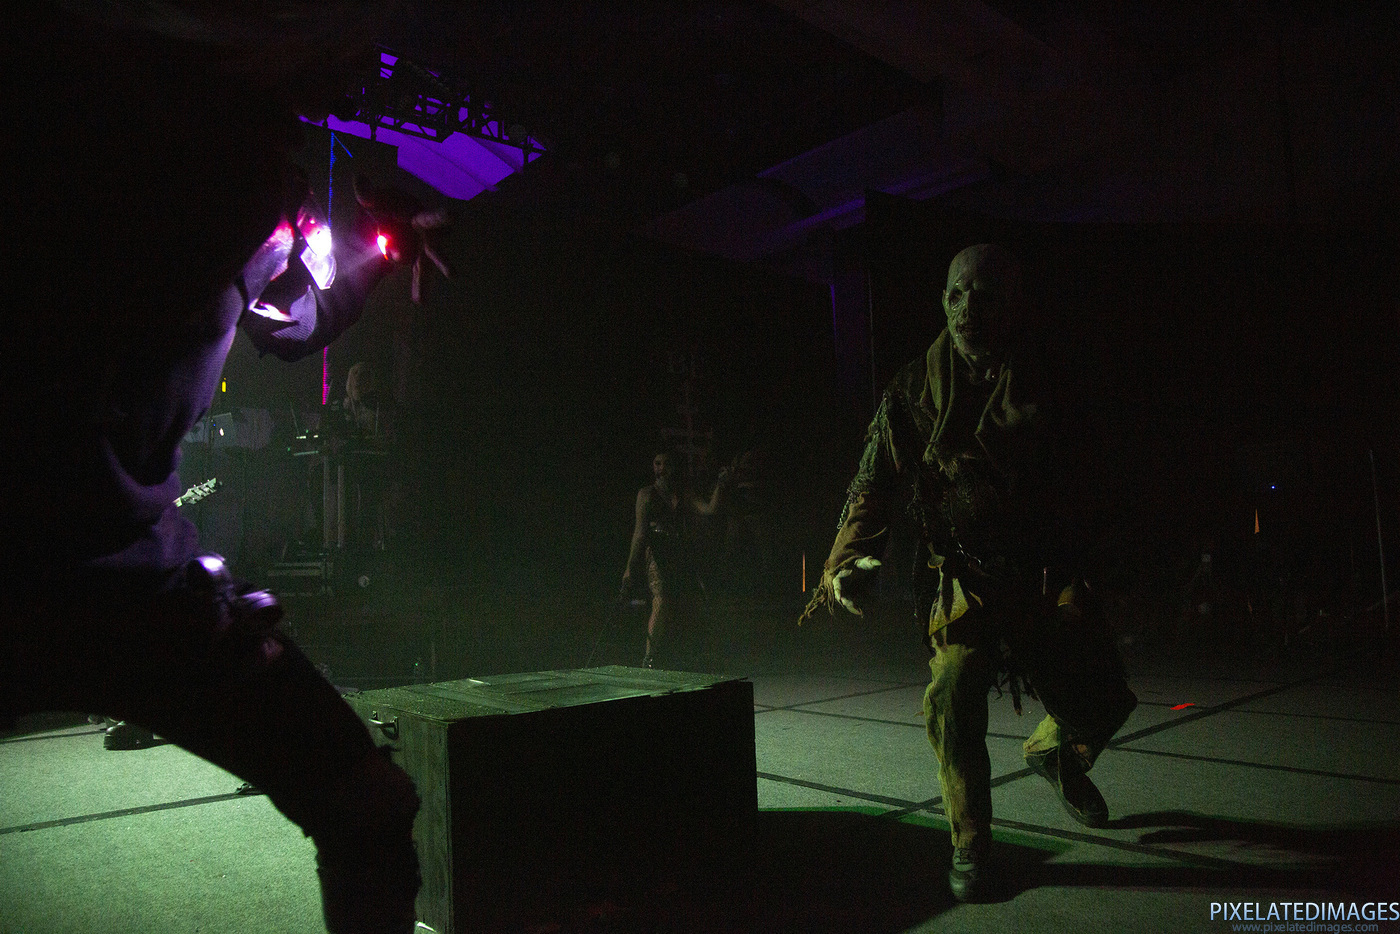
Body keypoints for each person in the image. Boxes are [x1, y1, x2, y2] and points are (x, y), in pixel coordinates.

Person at [1, 5, 447, 932]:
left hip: (133, 568)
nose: (355, 60)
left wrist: (371, 254)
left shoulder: (257, 181)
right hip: (63, 554)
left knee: (370, 804)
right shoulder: (96, 121)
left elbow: (291, 322)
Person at [801, 244, 1138, 902]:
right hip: (959, 578)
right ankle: (971, 841)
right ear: (942, 301)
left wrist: (1091, 566)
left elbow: (1090, 484)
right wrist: (847, 561)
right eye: (956, 293)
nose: (967, 308)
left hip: (1040, 574)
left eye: (984, 294)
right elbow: (873, 485)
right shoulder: (912, 390)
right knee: (954, 692)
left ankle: (1053, 753)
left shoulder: (1051, 385)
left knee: (1100, 700)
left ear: (1013, 305)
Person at [620, 451, 728, 669]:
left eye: (666, 464)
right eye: (657, 463)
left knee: (694, 600)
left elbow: (709, 509)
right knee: (661, 599)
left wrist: (720, 484)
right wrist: (630, 568)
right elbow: (640, 532)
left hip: (679, 552)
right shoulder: (647, 494)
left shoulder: (683, 493)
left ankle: (701, 650)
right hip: (657, 553)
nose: (661, 469)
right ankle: (649, 657)